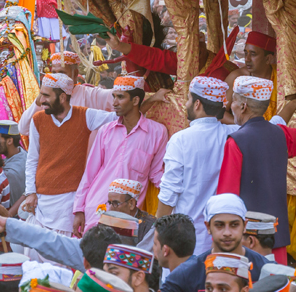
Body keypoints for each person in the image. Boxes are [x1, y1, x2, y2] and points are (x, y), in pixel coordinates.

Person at [216, 75, 296, 262]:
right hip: (275, 237)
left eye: (233, 101)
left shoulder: (236, 142)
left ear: (243, 106)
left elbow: (227, 197)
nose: (230, 106)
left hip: (245, 241)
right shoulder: (280, 134)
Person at [22, 73, 117, 235]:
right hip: (42, 200)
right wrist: (30, 193)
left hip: (71, 200)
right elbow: (32, 160)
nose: (41, 100)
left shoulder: (85, 115)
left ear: (62, 98)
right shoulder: (38, 120)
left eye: (46, 95)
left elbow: (119, 116)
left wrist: (149, 100)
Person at [72, 76, 166, 236]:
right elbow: (89, 173)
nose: (114, 102)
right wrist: (78, 210)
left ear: (136, 100)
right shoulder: (105, 131)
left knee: (118, 257)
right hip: (96, 208)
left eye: (120, 97)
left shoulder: (157, 132)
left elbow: (156, 174)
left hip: (127, 214)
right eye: (114, 96)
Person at [157, 77, 241, 255]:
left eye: (188, 99)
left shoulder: (181, 140)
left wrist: (158, 234)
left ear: (197, 104)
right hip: (219, 240)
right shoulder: (233, 134)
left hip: (185, 241)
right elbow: (271, 125)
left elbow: (169, 193)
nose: (186, 103)